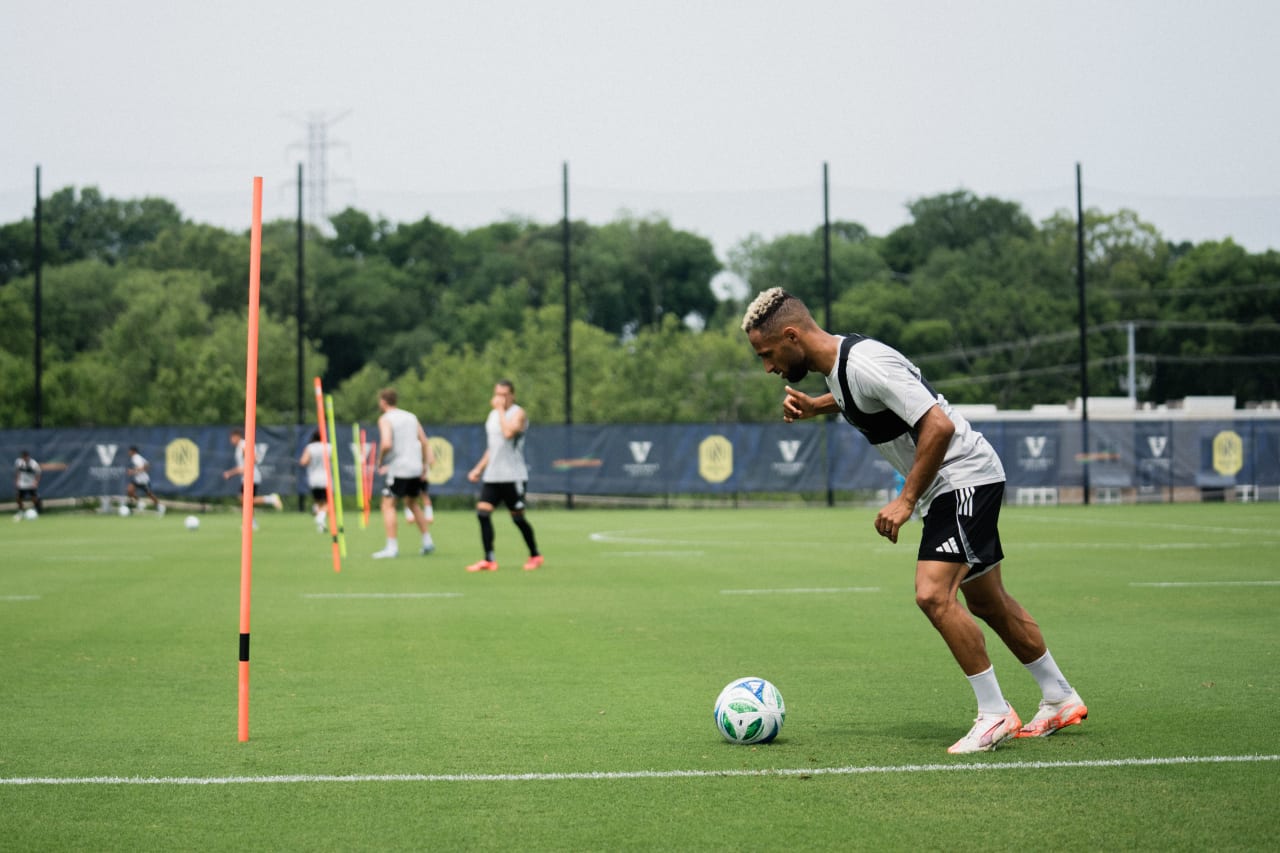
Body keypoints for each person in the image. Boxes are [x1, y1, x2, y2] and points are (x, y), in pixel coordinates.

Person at [741, 287, 1086, 754]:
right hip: (954, 483)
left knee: (932, 594)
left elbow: (937, 425)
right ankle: (1059, 696)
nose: (768, 367)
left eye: (767, 354)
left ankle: (994, 713)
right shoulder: (839, 366)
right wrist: (814, 405)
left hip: (962, 478)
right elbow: (863, 399)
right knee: (988, 602)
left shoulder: (864, 362)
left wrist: (905, 500)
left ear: (791, 335)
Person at [465, 380, 543, 572]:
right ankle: (489, 559)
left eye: (504, 394)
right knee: (482, 513)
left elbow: (508, 433)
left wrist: (500, 410)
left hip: (513, 476)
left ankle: (535, 554)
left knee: (518, 518)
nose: (500, 398)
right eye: (497, 394)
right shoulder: (491, 416)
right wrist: (478, 469)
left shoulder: (518, 414)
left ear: (512, 395)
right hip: (493, 476)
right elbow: (493, 448)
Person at [373, 388, 436, 559]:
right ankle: (427, 541)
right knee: (412, 503)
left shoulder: (385, 419)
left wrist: (380, 460)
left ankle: (391, 547)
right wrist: (424, 464)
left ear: (383, 402)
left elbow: (386, 444)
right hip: (415, 467)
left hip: (399, 468)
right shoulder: (411, 416)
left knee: (388, 505)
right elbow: (424, 441)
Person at [222, 428, 283, 528]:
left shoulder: (243, 445)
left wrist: (230, 473)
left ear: (237, 436)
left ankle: (270, 499)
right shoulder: (239, 447)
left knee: (246, 500)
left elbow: (253, 459)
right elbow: (242, 466)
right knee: (246, 501)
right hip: (247, 477)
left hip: (251, 476)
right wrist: (231, 473)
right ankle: (252, 522)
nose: (231, 440)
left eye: (232, 438)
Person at [299, 430, 330, 533]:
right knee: (327, 503)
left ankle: (320, 525)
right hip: (326, 478)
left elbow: (303, 461)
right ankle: (320, 518)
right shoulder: (329, 447)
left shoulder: (310, 447)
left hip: (313, 478)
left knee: (318, 502)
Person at [125, 446, 165, 515]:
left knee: (149, 494)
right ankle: (140, 503)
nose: (128, 452)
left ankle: (160, 506)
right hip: (137, 480)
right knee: (129, 490)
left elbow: (144, 467)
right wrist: (135, 471)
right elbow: (147, 464)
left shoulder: (136, 458)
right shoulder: (136, 457)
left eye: (130, 451)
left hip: (143, 480)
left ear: (133, 451)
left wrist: (132, 471)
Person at [14, 450, 42, 518]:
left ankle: (37, 510)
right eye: (23, 457)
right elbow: (17, 472)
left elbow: (38, 473)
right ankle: (21, 511)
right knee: (18, 498)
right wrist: (17, 481)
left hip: (31, 484)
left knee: (34, 498)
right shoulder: (19, 462)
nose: (24, 458)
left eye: (25, 457)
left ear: (28, 456)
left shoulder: (33, 463)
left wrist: (36, 482)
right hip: (22, 484)